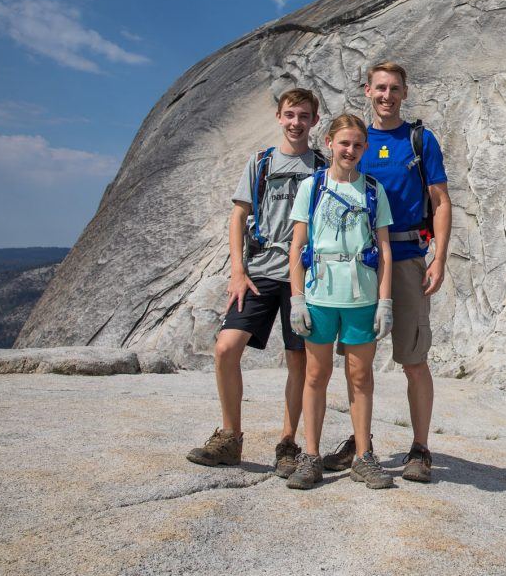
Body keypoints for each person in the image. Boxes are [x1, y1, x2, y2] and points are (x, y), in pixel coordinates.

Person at [322, 62, 451, 483]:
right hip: (363, 262)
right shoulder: (358, 139)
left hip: (408, 255)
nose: (387, 95)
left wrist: (440, 257)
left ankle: (420, 448)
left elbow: (441, 200)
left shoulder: (420, 140)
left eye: (394, 88)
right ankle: (362, 446)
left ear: (405, 93)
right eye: (380, 88)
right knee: (359, 360)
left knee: (414, 357)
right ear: (368, 90)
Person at [187, 88, 321, 475]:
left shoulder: (322, 168)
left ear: (314, 121)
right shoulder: (260, 163)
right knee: (226, 348)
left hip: (304, 277)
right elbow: (238, 216)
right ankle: (230, 436)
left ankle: (288, 442)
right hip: (260, 271)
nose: (296, 122)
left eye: (304, 116)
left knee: (299, 359)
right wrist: (238, 270)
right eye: (290, 114)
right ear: (279, 117)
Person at [284, 114, 396, 490]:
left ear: (365, 149)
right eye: (344, 143)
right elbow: (297, 245)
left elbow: (384, 249)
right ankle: (311, 456)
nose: (350, 150)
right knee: (316, 375)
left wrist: (384, 301)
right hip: (319, 294)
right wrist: (297, 298)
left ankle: (363, 455)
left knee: (361, 376)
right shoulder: (311, 186)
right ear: (329, 143)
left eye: (358, 145)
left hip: (361, 295)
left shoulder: (372, 189)